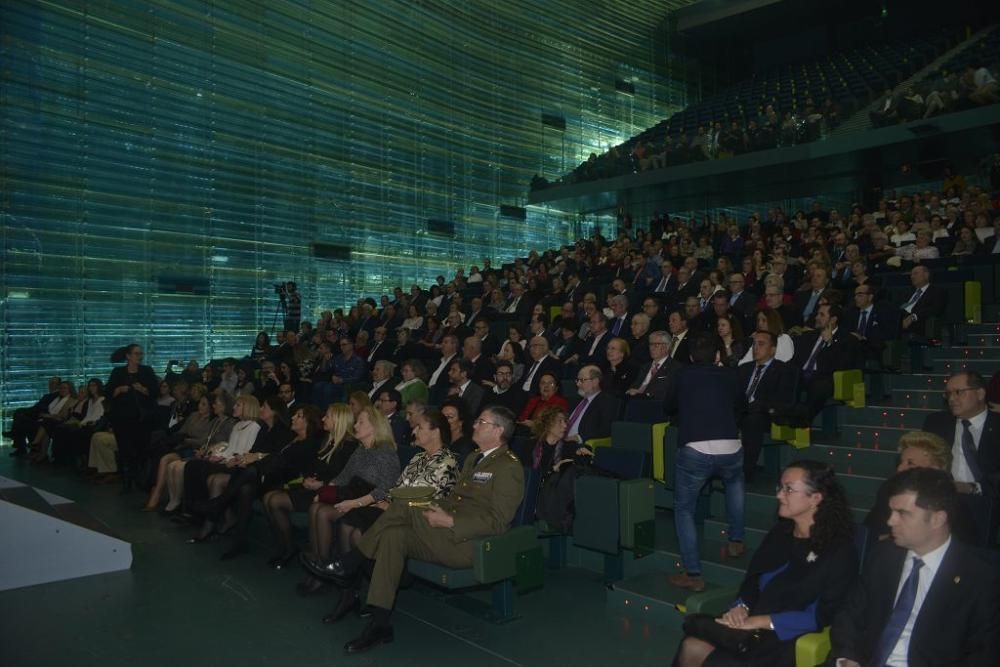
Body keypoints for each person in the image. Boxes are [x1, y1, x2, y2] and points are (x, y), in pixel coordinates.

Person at [307, 406, 524, 655]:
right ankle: (380, 624)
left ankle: (349, 563)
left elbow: (499, 521)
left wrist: (451, 521)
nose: (474, 425)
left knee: (404, 506)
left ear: (497, 430)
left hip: (468, 544)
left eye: (481, 422)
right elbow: (455, 500)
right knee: (392, 535)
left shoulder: (509, 467)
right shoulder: (475, 458)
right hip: (445, 534)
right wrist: (438, 509)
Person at [675, 461, 857, 667]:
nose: (779, 495)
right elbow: (753, 580)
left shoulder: (838, 551)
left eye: (789, 489)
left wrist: (760, 621)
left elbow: (821, 615)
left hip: (784, 635)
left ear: (815, 498)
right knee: (691, 644)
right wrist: (741, 607)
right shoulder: (781, 533)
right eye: (780, 488)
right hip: (750, 624)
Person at [830, 468, 1000, 667]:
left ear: (938, 519)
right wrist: (848, 658)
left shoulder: (981, 578)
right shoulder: (884, 555)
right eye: (891, 511)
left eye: (902, 513)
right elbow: (849, 614)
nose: (890, 521)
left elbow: (983, 655)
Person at [670, 334, 745, 592]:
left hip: (696, 449)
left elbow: (668, 407)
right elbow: (741, 407)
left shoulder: (682, 376)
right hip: (730, 445)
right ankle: (736, 539)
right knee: (734, 484)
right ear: (717, 356)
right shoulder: (731, 375)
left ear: (691, 356)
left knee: (684, 510)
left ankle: (693, 573)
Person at [262, 403, 346, 569]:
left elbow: (339, 476)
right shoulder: (327, 441)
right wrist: (311, 479)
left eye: (327, 416)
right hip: (312, 486)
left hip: (324, 491)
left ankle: (290, 548)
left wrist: (318, 482)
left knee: (274, 500)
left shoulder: (344, 446)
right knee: (268, 497)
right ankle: (285, 546)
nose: (324, 419)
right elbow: (316, 467)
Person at [922, 371, 1000, 546]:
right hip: (947, 499)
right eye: (948, 393)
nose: (952, 398)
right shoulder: (936, 423)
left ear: (980, 393)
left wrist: (972, 488)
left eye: (959, 392)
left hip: (990, 501)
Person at [864, 431, 952, 544]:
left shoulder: (952, 503)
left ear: (935, 470)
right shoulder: (888, 490)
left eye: (910, 464)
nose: (900, 468)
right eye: (901, 462)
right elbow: (869, 532)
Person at [738, 331, 798, 482]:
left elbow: (785, 401)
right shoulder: (743, 369)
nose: (755, 348)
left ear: (772, 349)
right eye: (754, 344)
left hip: (767, 415)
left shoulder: (784, 370)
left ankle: (744, 473)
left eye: (761, 344)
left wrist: (757, 405)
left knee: (754, 420)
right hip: (741, 412)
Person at [105, 344, 159, 490]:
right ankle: (126, 480)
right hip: (122, 419)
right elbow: (108, 392)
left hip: (142, 419)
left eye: (140, 354)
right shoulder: (118, 372)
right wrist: (119, 389)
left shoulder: (147, 371)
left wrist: (142, 389)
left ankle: (140, 480)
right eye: (136, 353)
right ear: (128, 356)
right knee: (124, 450)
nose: (139, 356)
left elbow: (155, 392)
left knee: (141, 449)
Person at [565, 365, 618, 447]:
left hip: (581, 445)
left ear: (595, 382)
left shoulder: (606, 401)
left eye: (582, 380)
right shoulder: (575, 400)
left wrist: (579, 437)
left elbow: (606, 429)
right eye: (577, 380)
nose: (578, 384)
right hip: (562, 441)